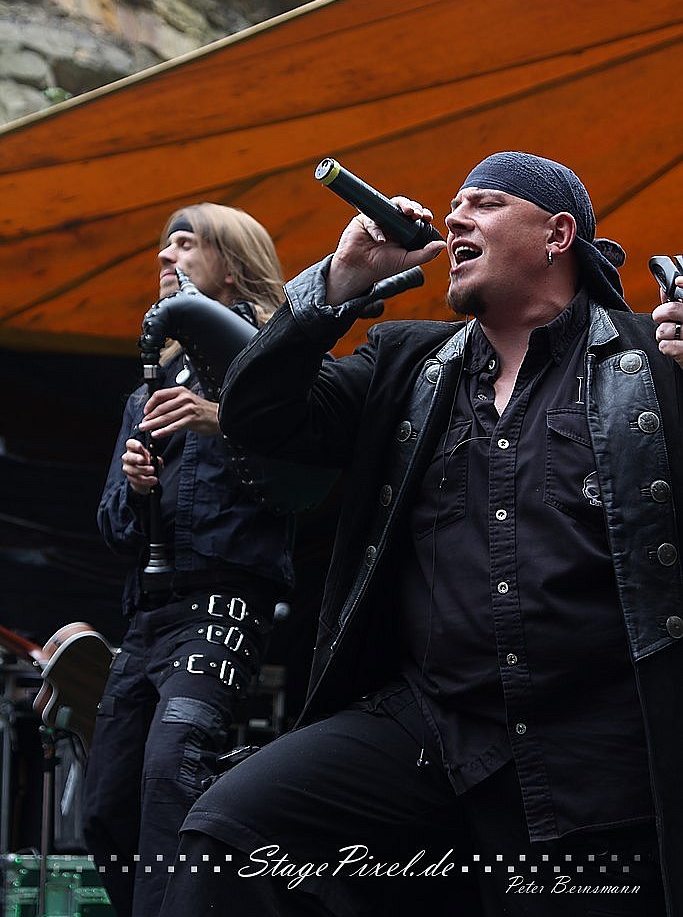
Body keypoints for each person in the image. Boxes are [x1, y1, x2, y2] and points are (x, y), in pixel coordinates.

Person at [157, 153, 683, 917]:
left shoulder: (652, 361)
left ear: (557, 234)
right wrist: (339, 282)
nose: (456, 215)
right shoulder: (407, 362)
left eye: (486, 202)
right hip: (429, 726)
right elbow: (257, 416)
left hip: (596, 745)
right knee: (233, 831)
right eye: (455, 203)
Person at [82, 203, 294, 917]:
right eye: (162, 246)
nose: (164, 256)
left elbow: (313, 469)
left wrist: (223, 418)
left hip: (224, 606)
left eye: (184, 243)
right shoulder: (147, 387)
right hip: (148, 617)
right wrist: (136, 491)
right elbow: (114, 527)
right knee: (106, 806)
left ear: (231, 266)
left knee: (173, 768)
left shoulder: (273, 361)